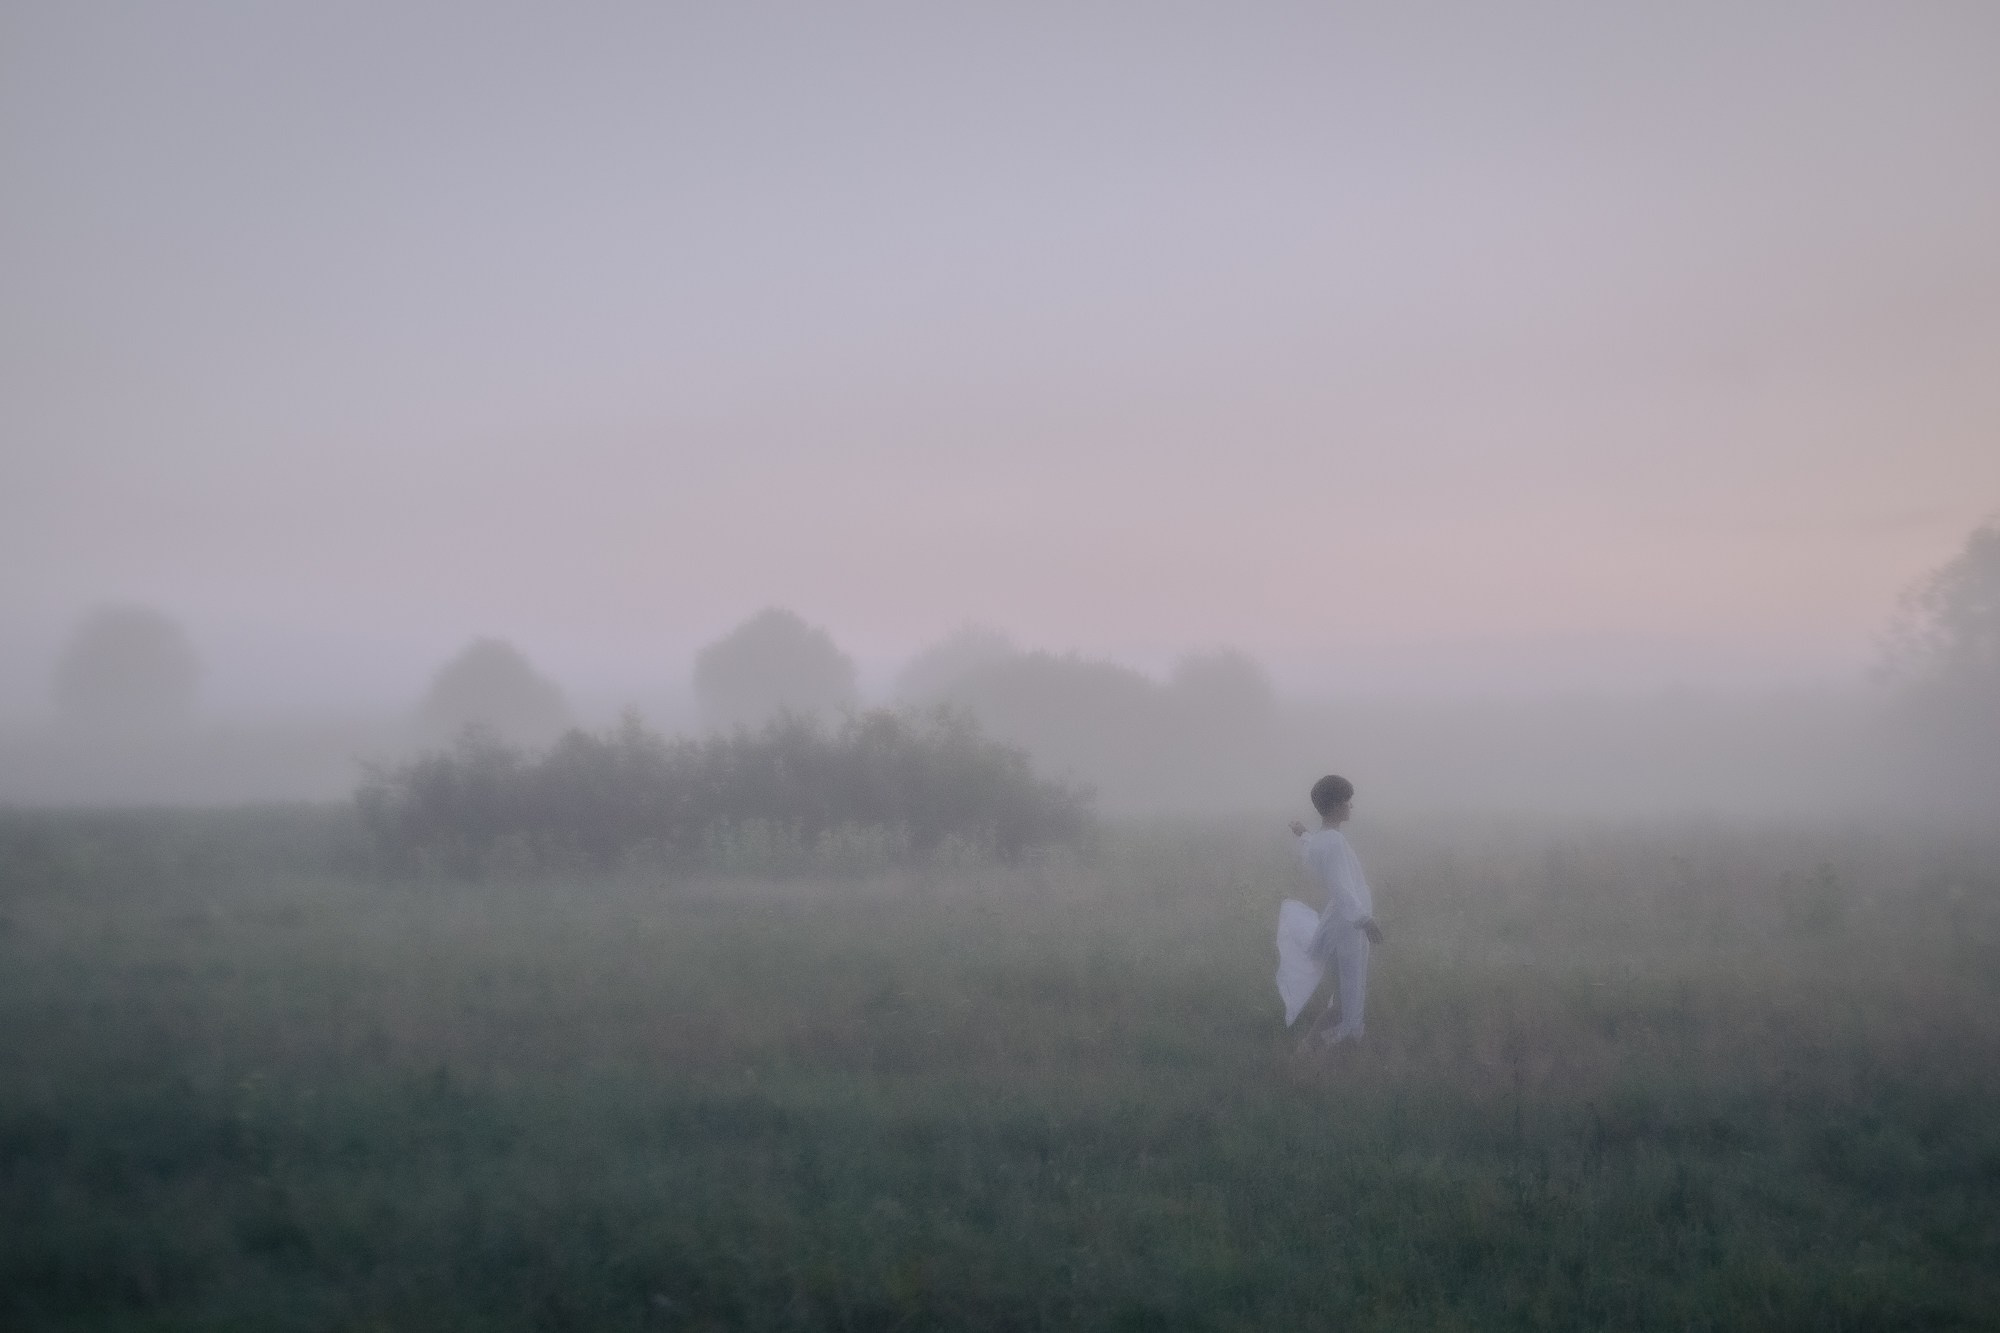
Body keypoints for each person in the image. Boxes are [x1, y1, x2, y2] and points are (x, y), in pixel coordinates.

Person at [1276, 774, 1383, 1050]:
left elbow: (1313, 847)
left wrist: (1301, 833)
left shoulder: (1324, 840)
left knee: (1344, 990)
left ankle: (1310, 1046)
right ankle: (1330, 1044)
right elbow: (1342, 889)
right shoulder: (1333, 843)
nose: (1351, 806)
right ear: (1336, 805)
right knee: (1350, 989)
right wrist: (1365, 921)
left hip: (1340, 922)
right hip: (1349, 927)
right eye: (1348, 801)